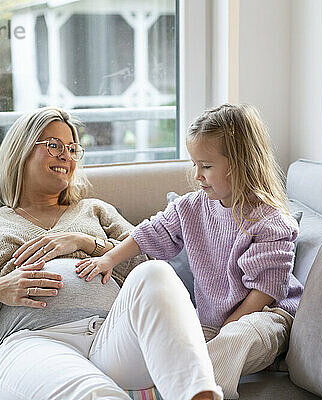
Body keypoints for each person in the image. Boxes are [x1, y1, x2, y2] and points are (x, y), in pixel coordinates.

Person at [0, 107, 222, 400]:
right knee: (93, 394)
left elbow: (146, 266)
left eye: (72, 149)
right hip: (31, 342)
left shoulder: (93, 210)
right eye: (54, 146)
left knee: (157, 273)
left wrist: (86, 243)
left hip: (112, 338)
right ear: (21, 151)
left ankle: (198, 393)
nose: (66, 156)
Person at [76, 103, 304, 399]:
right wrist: (109, 258)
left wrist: (225, 329)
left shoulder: (270, 222)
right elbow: (151, 232)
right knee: (171, 350)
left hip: (265, 317)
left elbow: (266, 290)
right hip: (210, 320)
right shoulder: (191, 207)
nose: (197, 175)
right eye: (194, 164)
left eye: (206, 166)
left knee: (233, 340)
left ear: (240, 163)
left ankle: (189, 392)